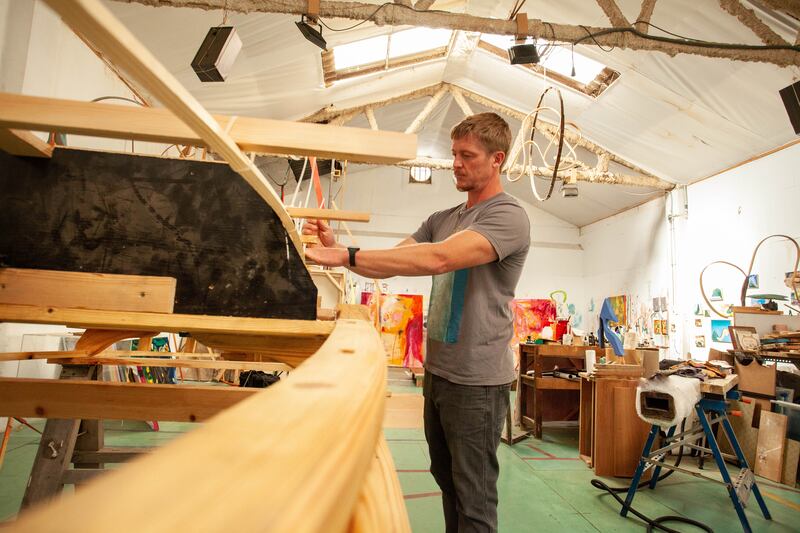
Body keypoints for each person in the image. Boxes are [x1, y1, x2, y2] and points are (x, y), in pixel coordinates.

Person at [304, 112, 530, 532]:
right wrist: (341, 247)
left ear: (497, 159)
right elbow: (393, 263)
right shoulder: (442, 219)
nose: (456, 164)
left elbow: (437, 258)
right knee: (447, 483)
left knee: (475, 499)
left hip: (478, 382)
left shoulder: (508, 217)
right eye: (453, 154)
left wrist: (347, 257)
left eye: (467, 155)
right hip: (440, 373)